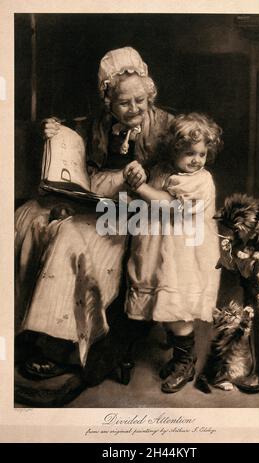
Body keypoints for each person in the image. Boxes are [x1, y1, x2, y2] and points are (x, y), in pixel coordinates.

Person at [15, 46, 173, 383]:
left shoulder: (168, 127)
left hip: (139, 212)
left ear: (149, 94)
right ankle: (24, 327)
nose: (133, 109)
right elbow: (72, 136)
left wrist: (145, 180)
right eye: (123, 103)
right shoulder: (99, 125)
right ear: (108, 100)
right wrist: (53, 128)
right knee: (33, 219)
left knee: (73, 238)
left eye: (140, 101)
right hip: (96, 203)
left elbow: (184, 174)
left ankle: (62, 344)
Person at [125, 113, 222, 393]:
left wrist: (141, 188)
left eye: (202, 153)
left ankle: (185, 361)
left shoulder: (200, 181)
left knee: (178, 309)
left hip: (185, 255)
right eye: (189, 153)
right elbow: (151, 195)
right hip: (161, 248)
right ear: (173, 150)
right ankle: (180, 355)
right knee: (165, 306)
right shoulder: (163, 170)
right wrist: (139, 180)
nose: (196, 159)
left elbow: (169, 204)